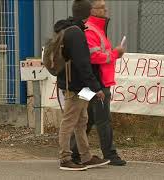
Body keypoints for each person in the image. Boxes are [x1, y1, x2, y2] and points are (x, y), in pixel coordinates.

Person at [71, 0, 126, 166]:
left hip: (95, 82)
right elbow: (93, 57)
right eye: (102, 7)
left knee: (85, 118)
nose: (106, 9)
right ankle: (110, 154)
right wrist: (116, 53)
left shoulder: (96, 28)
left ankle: (74, 152)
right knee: (100, 119)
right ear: (92, 10)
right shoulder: (91, 30)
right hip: (96, 83)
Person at [55, 0, 110, 171]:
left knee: (82, 120)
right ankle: (65, 158)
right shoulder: (76, 33)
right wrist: (96, 87)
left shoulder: (74, 29)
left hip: (80, 85)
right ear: (88, 13)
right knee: (70, 121)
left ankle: (85, 156)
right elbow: (83, 64)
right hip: (75, 86)